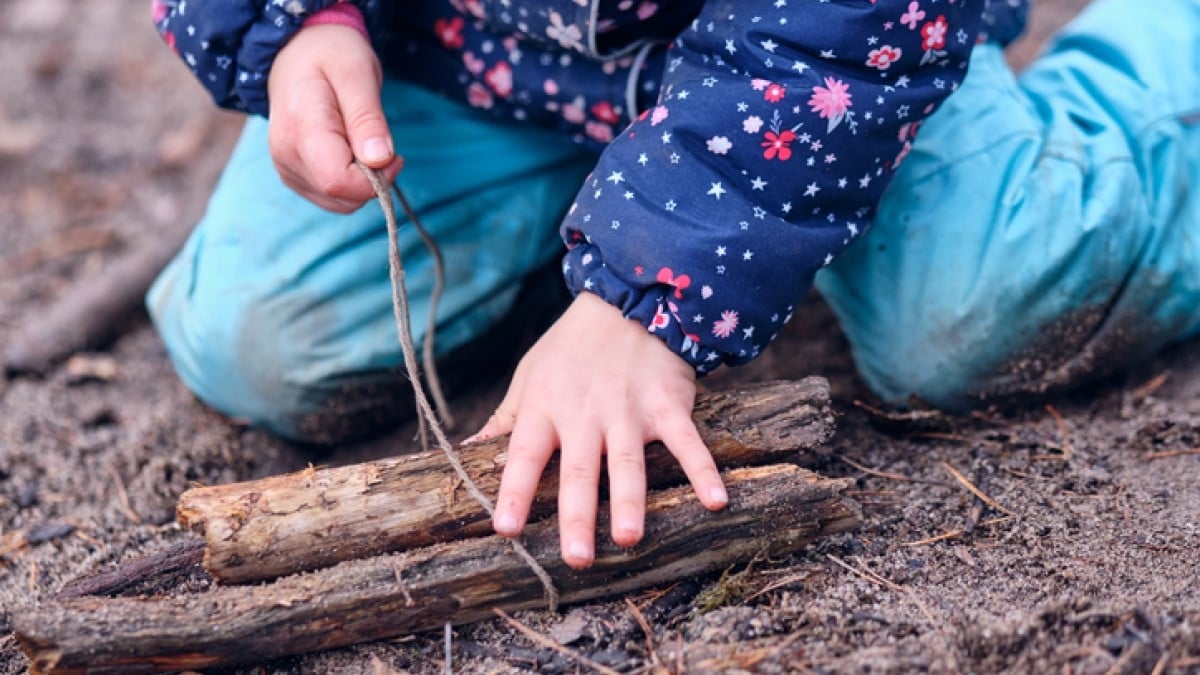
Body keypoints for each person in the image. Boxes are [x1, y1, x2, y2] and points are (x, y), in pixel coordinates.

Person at [149, 0, 1200, 569]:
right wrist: (294, 24)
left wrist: (645, 295)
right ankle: (593, 214)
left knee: (979, 313)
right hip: (470, 55)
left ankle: (1167, 57)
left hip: (821, 64)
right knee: (260, 342)